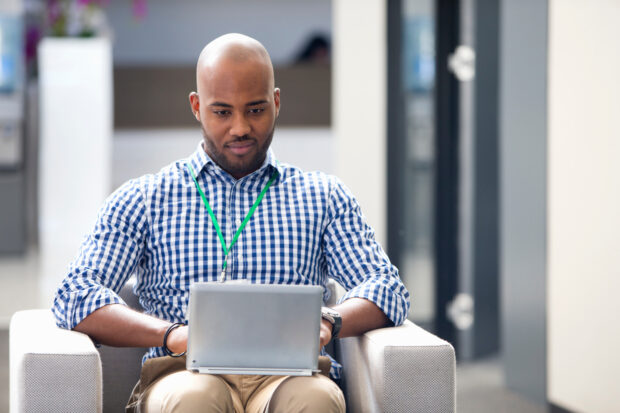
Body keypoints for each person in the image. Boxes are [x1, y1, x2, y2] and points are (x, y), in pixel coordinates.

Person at [53, 33, 410, 413]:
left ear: (276, 101)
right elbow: (74, 293)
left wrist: (329, 322)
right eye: (222, 112)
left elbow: (386, 286)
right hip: (182, 373)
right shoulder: (145, 198)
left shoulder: (323, 196)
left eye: (255, 109)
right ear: (196, 107)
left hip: (294, 375)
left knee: (316, 400)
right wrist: (171, 333)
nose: (240, 128)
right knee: (195, 399)